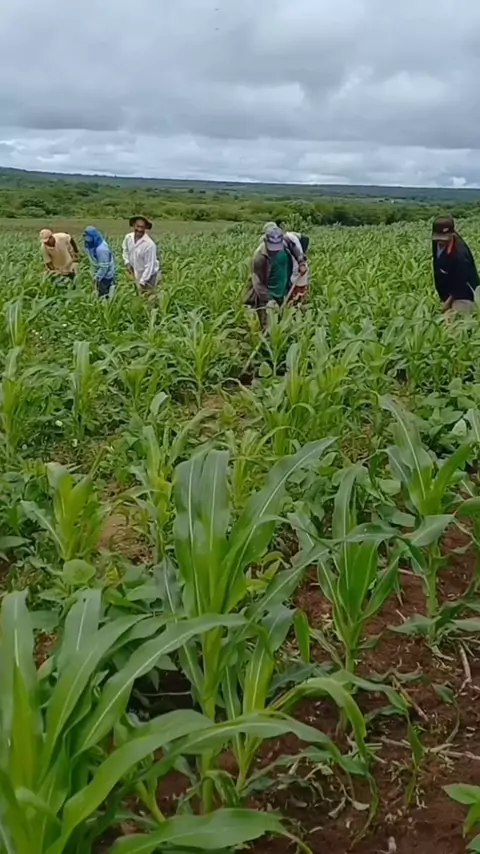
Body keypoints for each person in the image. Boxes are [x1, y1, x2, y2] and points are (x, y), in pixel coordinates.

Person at [246, 224, 306, 329]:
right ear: (265, 241)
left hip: (282, 288)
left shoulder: (285, 241)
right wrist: (268, 300)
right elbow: (258, 284)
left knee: (280, 317)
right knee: (268, 324)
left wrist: (301, 262)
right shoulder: (259, 258)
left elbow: (293, 247)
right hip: (267, 293)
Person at [432, 215, 479, 314]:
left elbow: (461, 284)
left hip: (465, 295)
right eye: (438, 237)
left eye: (444, 238)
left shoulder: (460, 256)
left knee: (454, 316)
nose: (441, 241)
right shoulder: (437, 241)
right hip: (449, 288)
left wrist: (448, 303)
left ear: (452, 234)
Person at [122, 216, 160, 293]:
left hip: (149, 276)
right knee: (135, 295)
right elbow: (125, 250)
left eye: (142, 227)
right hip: (134, 272)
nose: (139, 229)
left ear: (145, 228)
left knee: (148, 296)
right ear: (133, 226)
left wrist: (141, 283)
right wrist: (127, 263)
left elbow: (149, 266)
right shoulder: (128, 237)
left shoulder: (149, 245)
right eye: (138, 226)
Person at [276, 220, 310, 304]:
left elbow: (298, 258)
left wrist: (301, 264)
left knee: (298, 279)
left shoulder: (290, 240)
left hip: (299, 259)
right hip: (292, 258)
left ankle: (298, 303)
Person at [83, 226, 116, 299]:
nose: (85, 238)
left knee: (103, 294)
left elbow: (104, 267)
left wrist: (97, 278)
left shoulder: (101, 249)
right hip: (98, 271)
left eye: (88, 236)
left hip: (105, 275)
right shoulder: (90, 243)